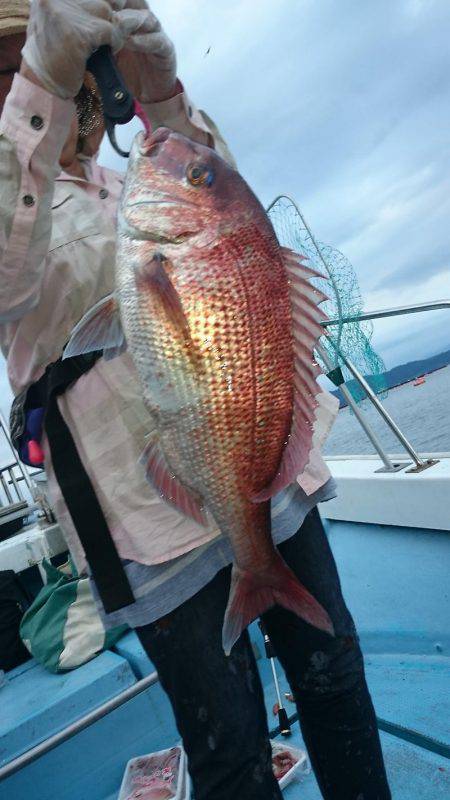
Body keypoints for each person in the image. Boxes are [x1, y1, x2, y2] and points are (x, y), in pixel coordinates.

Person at [0, 2, 392, 798]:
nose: (32, 76)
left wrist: (164, 91)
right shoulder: (17, 206)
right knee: (228, 753)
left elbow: (235, 221)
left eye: (34, 58)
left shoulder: (130, 175)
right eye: (11, 63)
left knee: (335, 676)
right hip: (140, 521)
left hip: (260, 468)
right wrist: (36, 84)